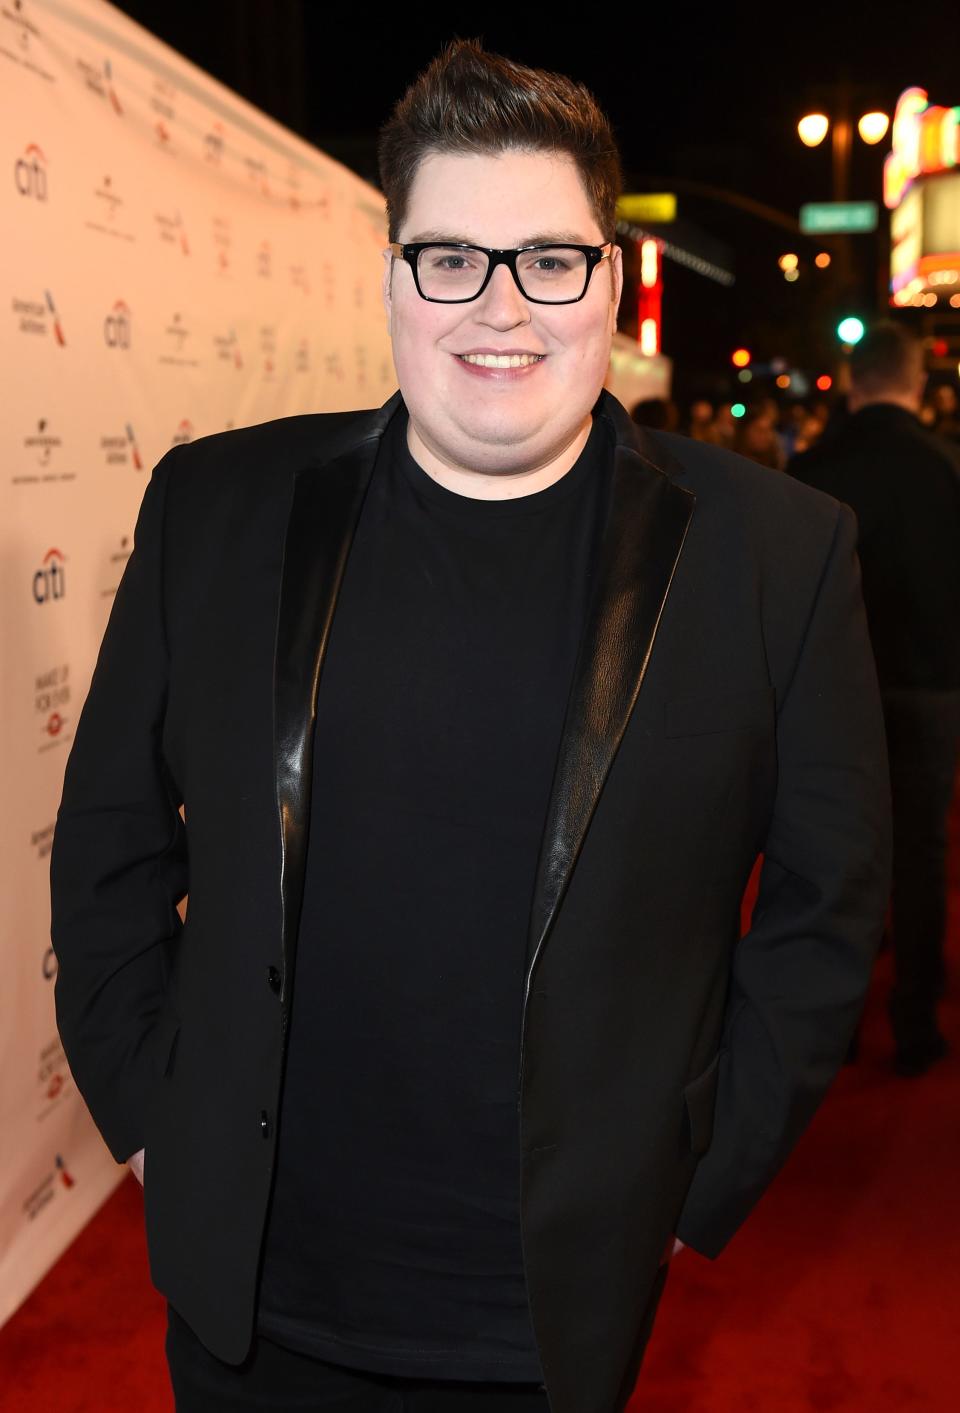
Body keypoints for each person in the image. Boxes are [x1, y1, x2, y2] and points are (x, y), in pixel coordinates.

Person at [50, 40, 891, 1413]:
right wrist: (152, 1118)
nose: (500, 308)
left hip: (548, 1315)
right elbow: (107, 839)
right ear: (393, 275)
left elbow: (827, 908)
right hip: (250, 1296)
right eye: (452, 258)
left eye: (550, 260)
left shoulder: (777, 554)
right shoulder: (218, 507)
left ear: (611, 281)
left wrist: (701, 1174)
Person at [789, 322, 960, 1078]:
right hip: (931, 683)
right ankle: (916, 1019)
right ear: (917, 383)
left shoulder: (815, 467)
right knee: (921, 853)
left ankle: (839, 1025)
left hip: (832, 690)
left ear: (853, 383)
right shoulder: (947, 468)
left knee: (838, 854)